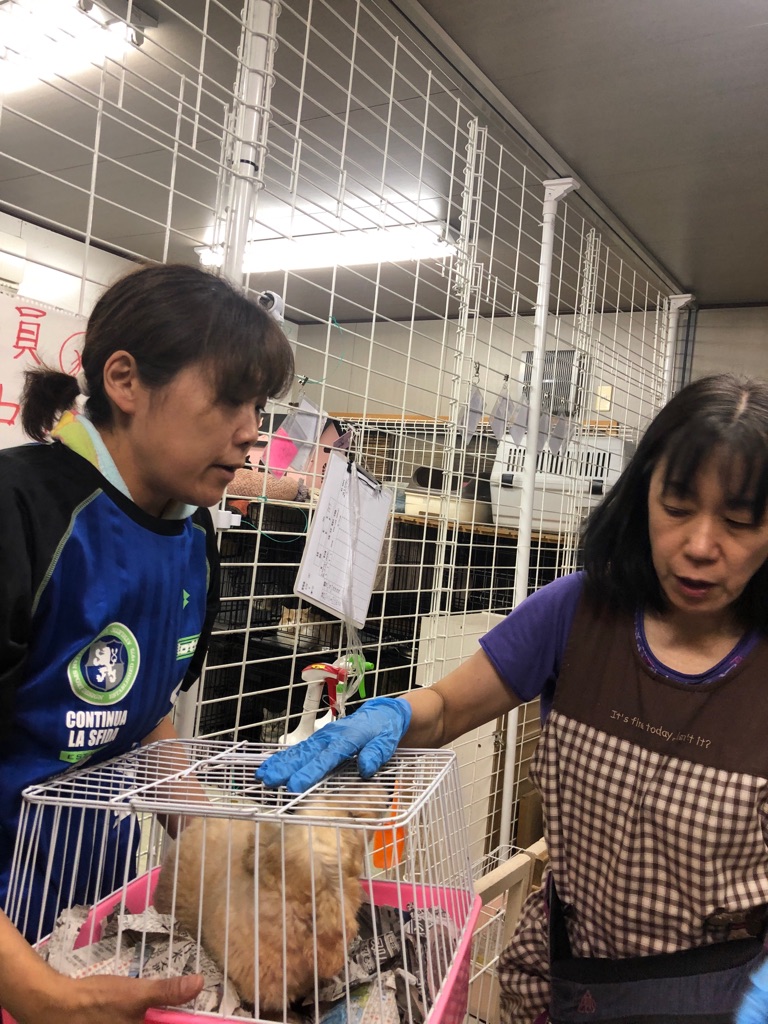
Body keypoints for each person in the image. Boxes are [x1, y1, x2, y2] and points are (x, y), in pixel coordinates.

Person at [257, 373, 768, 1023]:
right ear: (643, 496)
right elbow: (449, 707)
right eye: (676, 506)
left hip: (717, 996)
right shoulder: (580, 611)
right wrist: (392, 712)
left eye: (739, 521)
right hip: (565, 977)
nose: (699, 546)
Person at [0, 262, 294, 1024]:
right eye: (229, 398)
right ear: (125, 381)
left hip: (80, 923)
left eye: (259, 406)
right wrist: (38, 994)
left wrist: (224, 849)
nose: (251, 431)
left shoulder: (191, 538)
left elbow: (142, 714)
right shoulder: (21, 512)